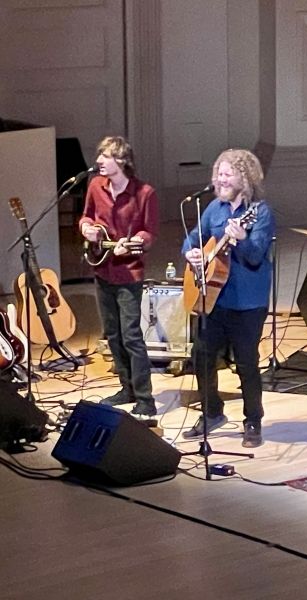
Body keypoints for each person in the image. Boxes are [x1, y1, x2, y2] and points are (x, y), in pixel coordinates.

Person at [181, 149, 274, 448]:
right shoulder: (213, 209)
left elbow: (256, 256)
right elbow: (193, 237)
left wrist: (243, 240)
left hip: (247, 301)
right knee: (201, 356)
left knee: (247, 362)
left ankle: (253, 420)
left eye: (227, 174)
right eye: (218, 173)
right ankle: (211, 412)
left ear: (244, 178)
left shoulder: (259, 213)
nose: (220, 179)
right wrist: (191, 253)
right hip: (214, 298)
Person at [79, 136, 159, 417]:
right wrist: (87, 228)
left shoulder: (145, 193)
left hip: (129, 273)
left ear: (122, 161)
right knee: (112, 334)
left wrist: (135, 240)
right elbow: (86, 217)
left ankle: (146, 398)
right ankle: (126, 388)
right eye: (99, 154)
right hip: (102, 269)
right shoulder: (94, 186)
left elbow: (149, 234)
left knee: (131, 336)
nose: (99, 160)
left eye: (106, 156)